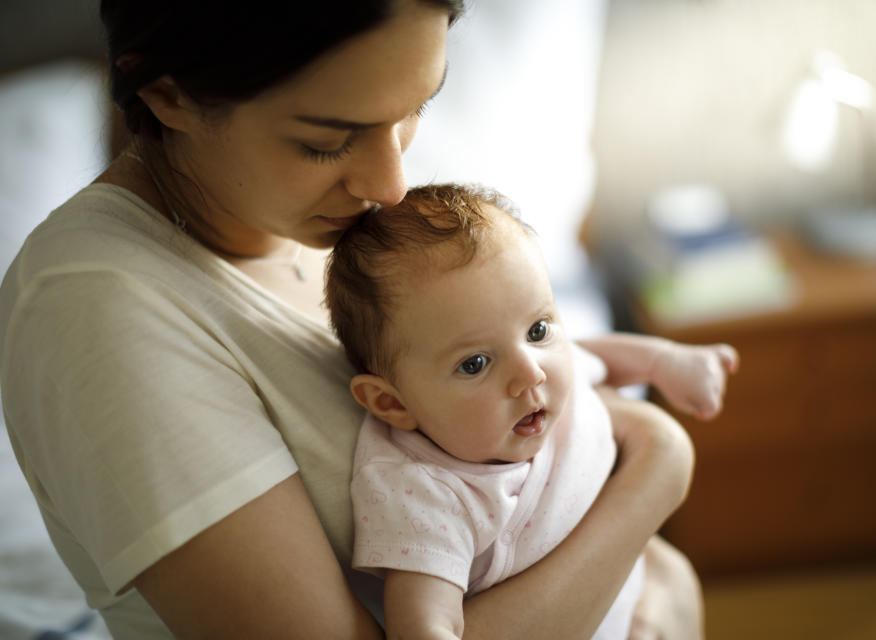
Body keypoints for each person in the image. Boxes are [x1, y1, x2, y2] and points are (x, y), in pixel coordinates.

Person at [1, 1, 699, 637]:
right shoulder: (97, 309)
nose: (392, 184)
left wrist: (658, 573)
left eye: (416, 108)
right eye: (326, 142)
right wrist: (656, 475)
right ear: (169, 94)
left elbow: (522, 488)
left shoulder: (324, 234)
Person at [326, 183, 738, 639]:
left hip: (640, 603)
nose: (531, 373)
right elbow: (423, 622)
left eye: (538, 328)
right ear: (392, 403)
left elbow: (591, 357)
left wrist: (665, 362)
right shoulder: (425, 490)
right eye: (475, 364)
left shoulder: (539, 365)